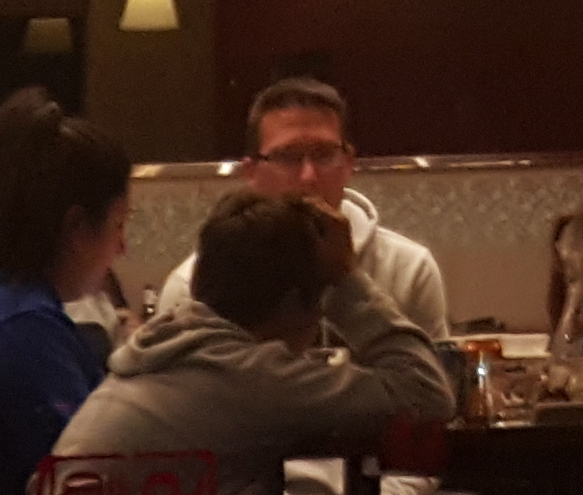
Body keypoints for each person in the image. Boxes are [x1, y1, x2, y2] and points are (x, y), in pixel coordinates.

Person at [23, 188, 457, 495]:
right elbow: (426, 395)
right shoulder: (249, 374)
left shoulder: (166, 349)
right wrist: (348, 280)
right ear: (295, 303)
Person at [0, 85, 135, 495]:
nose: (122, 247)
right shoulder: (24, 330)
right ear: (76, 228)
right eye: (118, 225)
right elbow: (91, 494)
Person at [148, 77, 450, 336]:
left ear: (348, 163)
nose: (309, 177)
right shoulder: (192, 288)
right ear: (251, 172)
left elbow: (434, 383)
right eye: (288, 157)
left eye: (324, 154)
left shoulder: (408, 270)